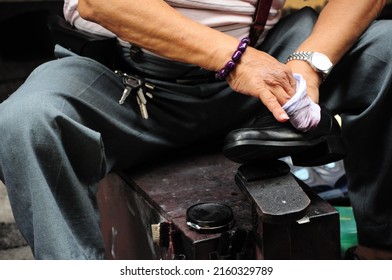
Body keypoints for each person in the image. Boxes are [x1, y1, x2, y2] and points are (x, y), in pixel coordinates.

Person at [0, 0, 390, 260]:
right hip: (127, 82)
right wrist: (233, 60)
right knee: (26, 122)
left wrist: (311, 61)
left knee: (385, 52)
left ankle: (378, 251)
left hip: (265, 63)